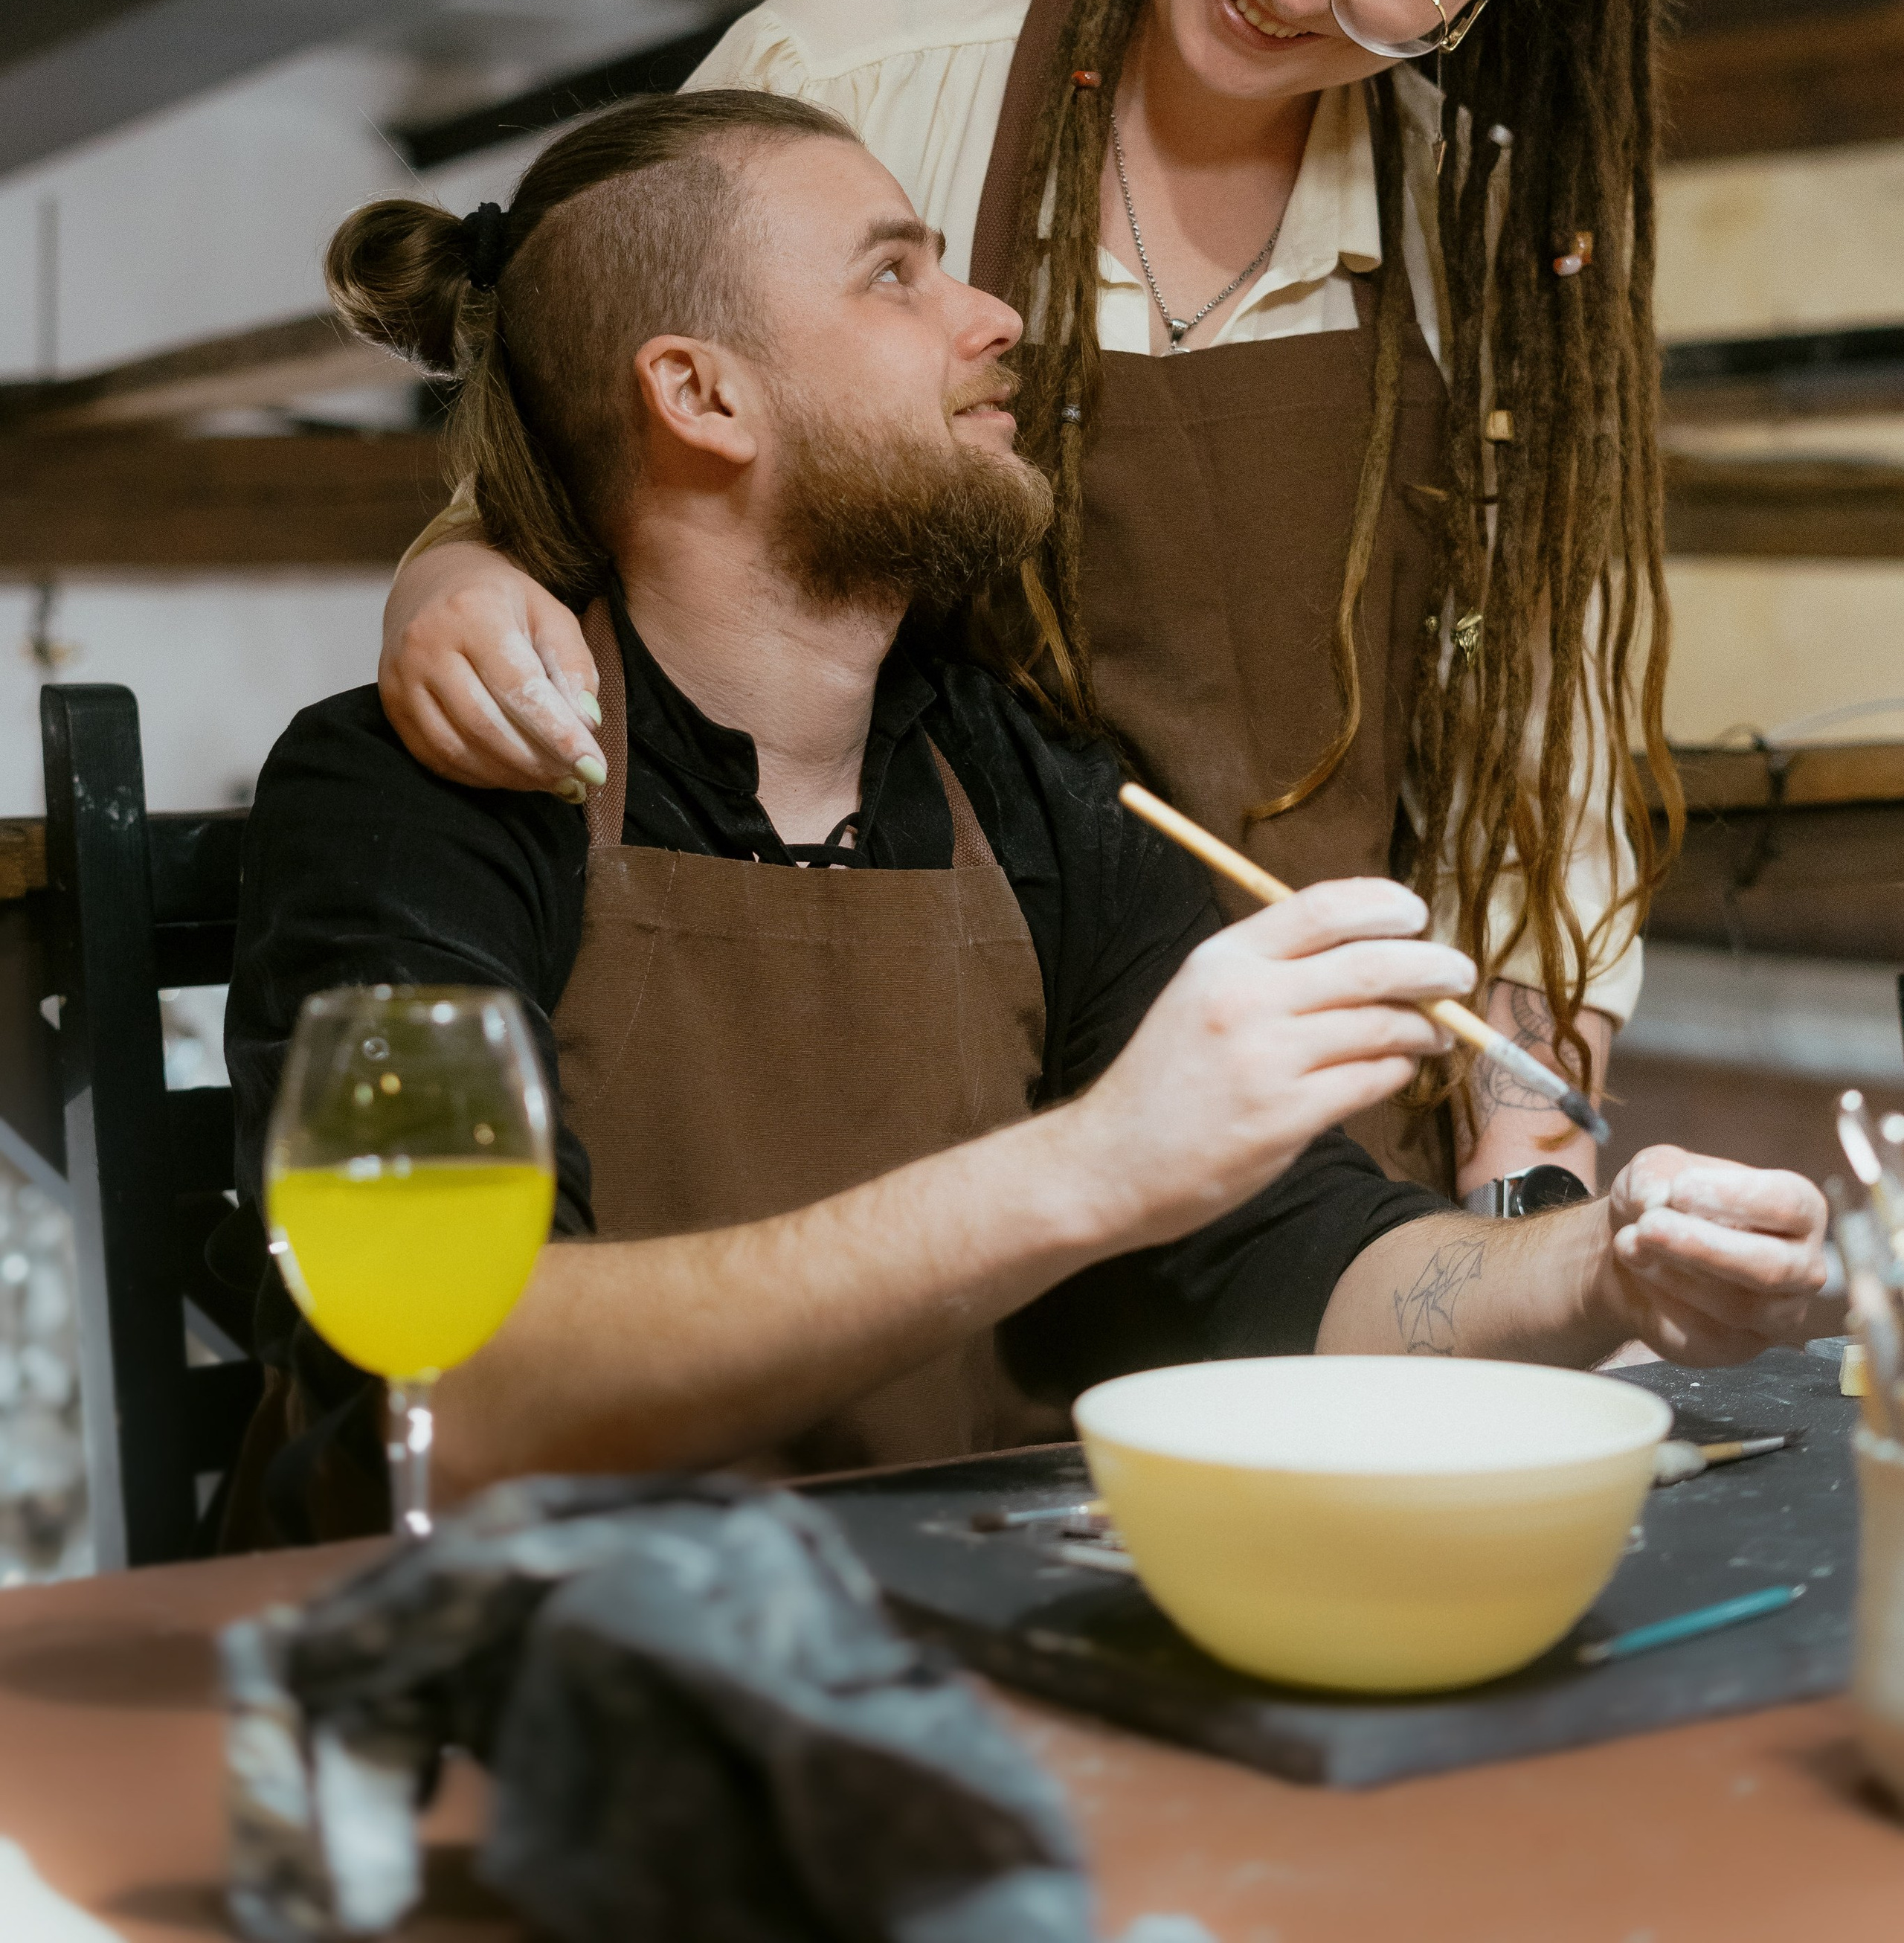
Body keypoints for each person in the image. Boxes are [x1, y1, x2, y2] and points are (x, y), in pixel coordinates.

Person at [225, 92, 1824, 1541]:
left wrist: (1603, 1265)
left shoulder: (1025, 789)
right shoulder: (411, 799)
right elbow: (456, 1388)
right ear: (702, 394)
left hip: (932, 1650)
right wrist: (1093, 1168)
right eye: (893, 276)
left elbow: (1310, 1271)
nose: (991, 316)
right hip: (487, 1694)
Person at [371, 0, 1687, 1213]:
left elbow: (1541, 733)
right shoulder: (845, 76)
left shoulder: (1480, 222)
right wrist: (458, 573)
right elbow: (583, 442)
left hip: (1324, 1146)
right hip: (898, 1100)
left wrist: (1531, 1125)